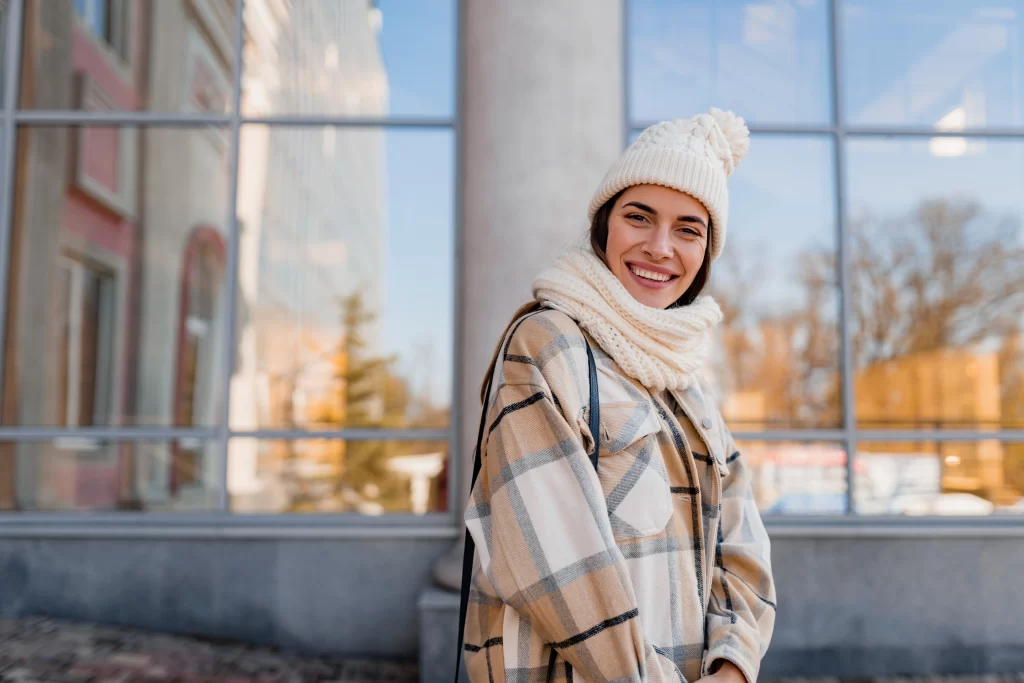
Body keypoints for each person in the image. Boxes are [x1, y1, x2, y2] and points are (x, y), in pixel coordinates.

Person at [460, 110, 776, 683]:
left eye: (688, 229)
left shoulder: (687, 377)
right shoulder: (547, 344)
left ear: (706, 252)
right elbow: (551, 560)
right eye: (639, 217)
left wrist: (733, 665)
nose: (660, 247)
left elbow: (741, 542)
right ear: (605, 224)